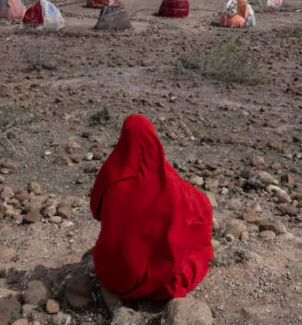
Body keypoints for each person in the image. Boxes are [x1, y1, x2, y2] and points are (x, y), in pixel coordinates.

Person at [90, 115, 213, 301]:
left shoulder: (110, 174)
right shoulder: (167, 180)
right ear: (153, 139)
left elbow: (96, 211)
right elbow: (202, 207)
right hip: (148, 280)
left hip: (112, 277)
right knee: (195, 246)